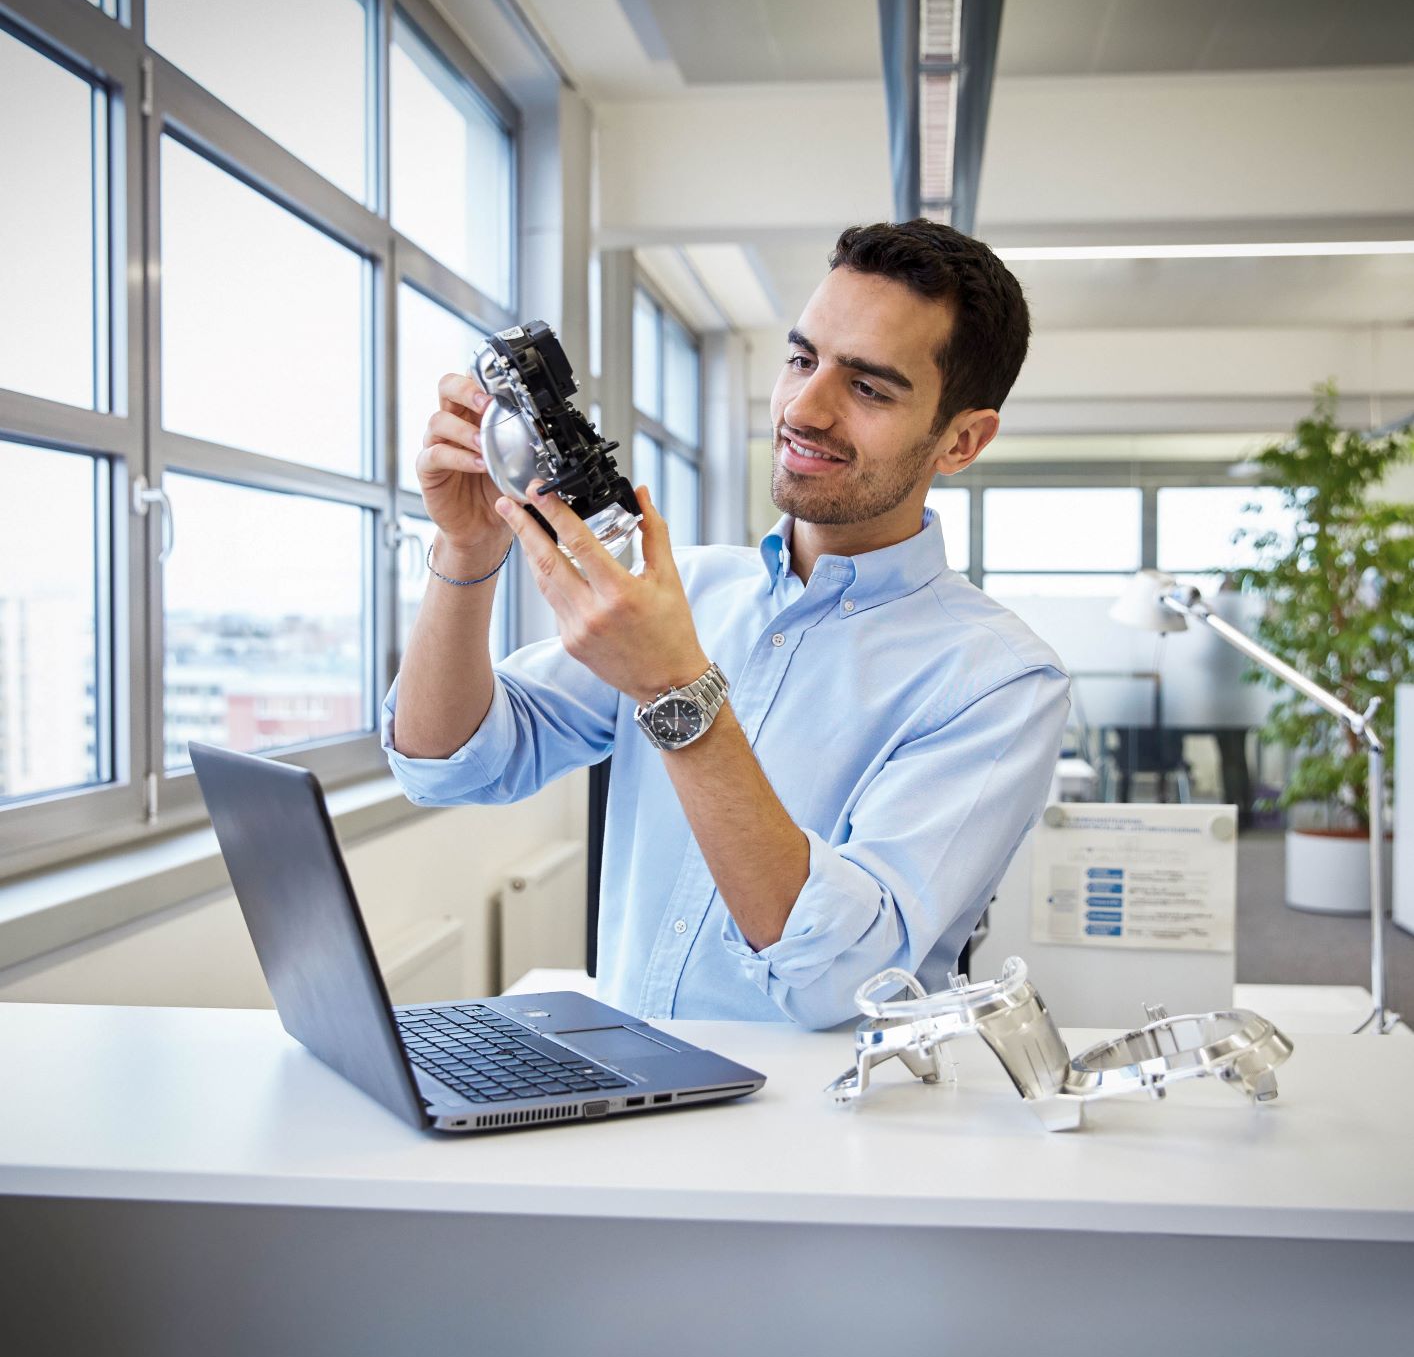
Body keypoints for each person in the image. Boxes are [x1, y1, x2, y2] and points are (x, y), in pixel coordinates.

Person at [383, 218, 1069, 1029]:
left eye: (869, 387)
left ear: (961, 440)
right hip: (629, 1096)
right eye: (801, 359)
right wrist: (466, 553)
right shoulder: (692, 589)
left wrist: (677, 690)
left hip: (821, 1142)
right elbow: (447, 764)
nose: (804, 409)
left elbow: (836, 976)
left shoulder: (1000, 680)